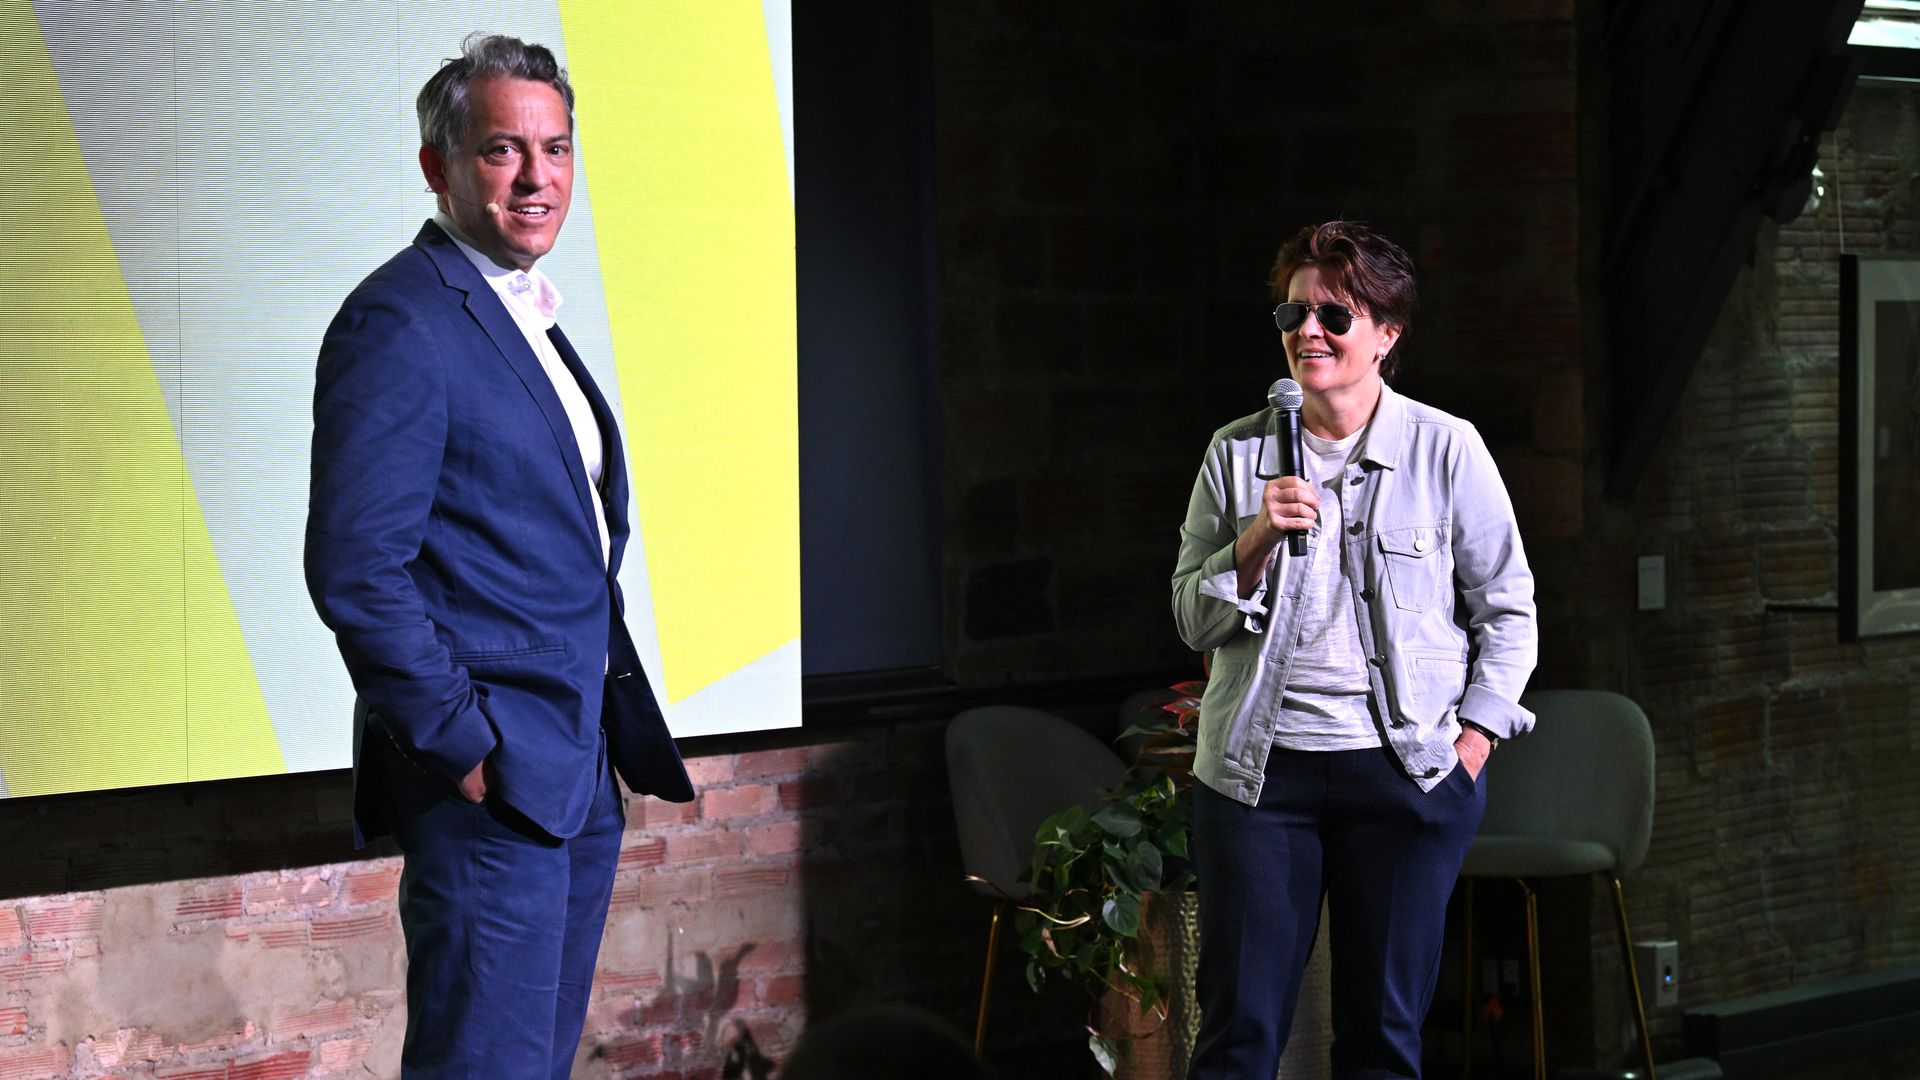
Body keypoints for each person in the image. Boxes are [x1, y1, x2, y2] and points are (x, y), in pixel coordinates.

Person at [305, 33, 694, 1079]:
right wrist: (462, 743)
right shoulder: (400, 321)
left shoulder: (526, 318)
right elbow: (354, 568)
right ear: (439, 166)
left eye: (557, 149)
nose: (537, 178)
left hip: (571, 778)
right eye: (502, 151)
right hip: (490, 790)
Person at [1170, 221, 1537, 1079]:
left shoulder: (1446, 448)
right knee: (1237, 1038)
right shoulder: (1237, 453)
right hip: (1263, 781)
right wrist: (1258, 535)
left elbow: (1508, 609)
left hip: (1404, 773)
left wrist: (1472, 743)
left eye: (1335, 313)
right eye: (1293, 313)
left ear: (1387, 333)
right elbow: (1192, 618)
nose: (1309, 332)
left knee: (1381, 1043)